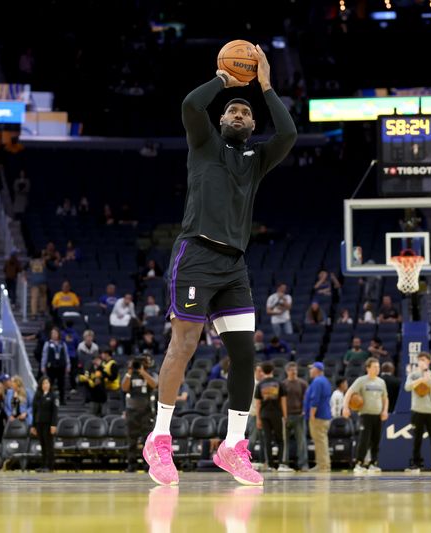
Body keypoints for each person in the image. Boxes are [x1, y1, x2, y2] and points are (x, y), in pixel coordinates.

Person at [143, 45, 296, 487]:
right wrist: (225, 80)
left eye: (246, 114)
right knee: (185, 342)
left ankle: (233, 445)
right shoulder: (204, 142)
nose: (239, 114)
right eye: (232, 110)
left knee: (245, 354)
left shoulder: (257, 159)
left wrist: (264, 84)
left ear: (251, 127)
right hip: (196, 255)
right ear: (222, 120)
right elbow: (192, 104)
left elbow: (286, 135)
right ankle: (159, 437)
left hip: (234, 265)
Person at [343, 358, 389, 474]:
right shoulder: (361, 381)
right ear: (368, 368)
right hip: (365, 415)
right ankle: (359, 464)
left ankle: (373, 463)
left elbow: (385, 398)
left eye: (378, 367)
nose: (377, 369)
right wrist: (345, 407)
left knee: (376, 440)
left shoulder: (381, 382)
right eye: (374, 367)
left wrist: (385, 411)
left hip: (377, 415)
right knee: (364, 440)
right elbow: (349, 393)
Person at [405, 353, 431, 474]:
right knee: (417, 439)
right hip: (417, 410)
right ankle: (416, 464)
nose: (421, 362)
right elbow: (407, 387)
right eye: (419, 360)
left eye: (423, 360)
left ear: (428, 361)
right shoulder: (413, 374)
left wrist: (425, 371)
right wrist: (420, 379)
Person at [123, 356, 158, 473]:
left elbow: (154, 385)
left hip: (146, 412)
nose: (139, 365)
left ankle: (147, 465)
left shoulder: (150, 374)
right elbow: (124, 387)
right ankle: (131, 465)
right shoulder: (130, 374)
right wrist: (129, 371)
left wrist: (143, 372)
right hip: (132, 412)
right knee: (131, 441)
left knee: (147, 441)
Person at [255, 362, 289, 472]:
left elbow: (258, 404)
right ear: (272, 371)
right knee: (280, 440)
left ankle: (270, 465)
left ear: (263, 371)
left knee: (267, 440)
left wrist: (258, 418)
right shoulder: (279, 383)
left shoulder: (260, 385)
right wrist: (285, 415)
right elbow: (283, 401)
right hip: (277, 414)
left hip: (264, 415)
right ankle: (280, 464)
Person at [304, 362, 332, 472]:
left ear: (317, 370)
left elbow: (315, 399)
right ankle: (322, 464)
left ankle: (323, 465)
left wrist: (312, 414)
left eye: (312, 369)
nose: (310, 371)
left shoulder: (317, 381)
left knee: (320, 441)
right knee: (321, 441)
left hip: (318, 416)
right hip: (324, 415)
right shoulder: (324, 380)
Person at [281, 362, 309, 472]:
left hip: (299, 415)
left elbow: (306, 399)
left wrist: (303, 411)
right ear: (287, 371)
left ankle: (303, 464)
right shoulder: (283, 384)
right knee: (285, 441)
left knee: (301, 441)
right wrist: (284, 415)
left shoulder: (303, 383)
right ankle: (285, 463)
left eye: (295, 370)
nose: (294, 372)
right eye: (291, 370)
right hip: (286, 416)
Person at [31, 377, 58, 472]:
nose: (45, 385)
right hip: (39, 423)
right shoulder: (37, 395)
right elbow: (34, 411)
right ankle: (43, 465)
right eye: (43, 383)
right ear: (41, 385)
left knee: (48, 445)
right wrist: (33, 425)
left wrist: (54, 425)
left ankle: (49, 466)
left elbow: (55, 411)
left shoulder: (53, 396)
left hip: (48, 423)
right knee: (42, 445)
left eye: (47, 383)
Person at [41, 327, 70, 405]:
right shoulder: (48, 344)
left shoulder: (62, 344)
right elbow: (44, 355)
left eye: (55, 333)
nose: (54, 335)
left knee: (62, 384)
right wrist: (43, 366)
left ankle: (62, 399)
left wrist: (68, 365)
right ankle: (49, 398)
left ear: (58, 334)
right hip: (51, 366)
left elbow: (66, 355)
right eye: (52, 333)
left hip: (61, 366)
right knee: (50, 383)